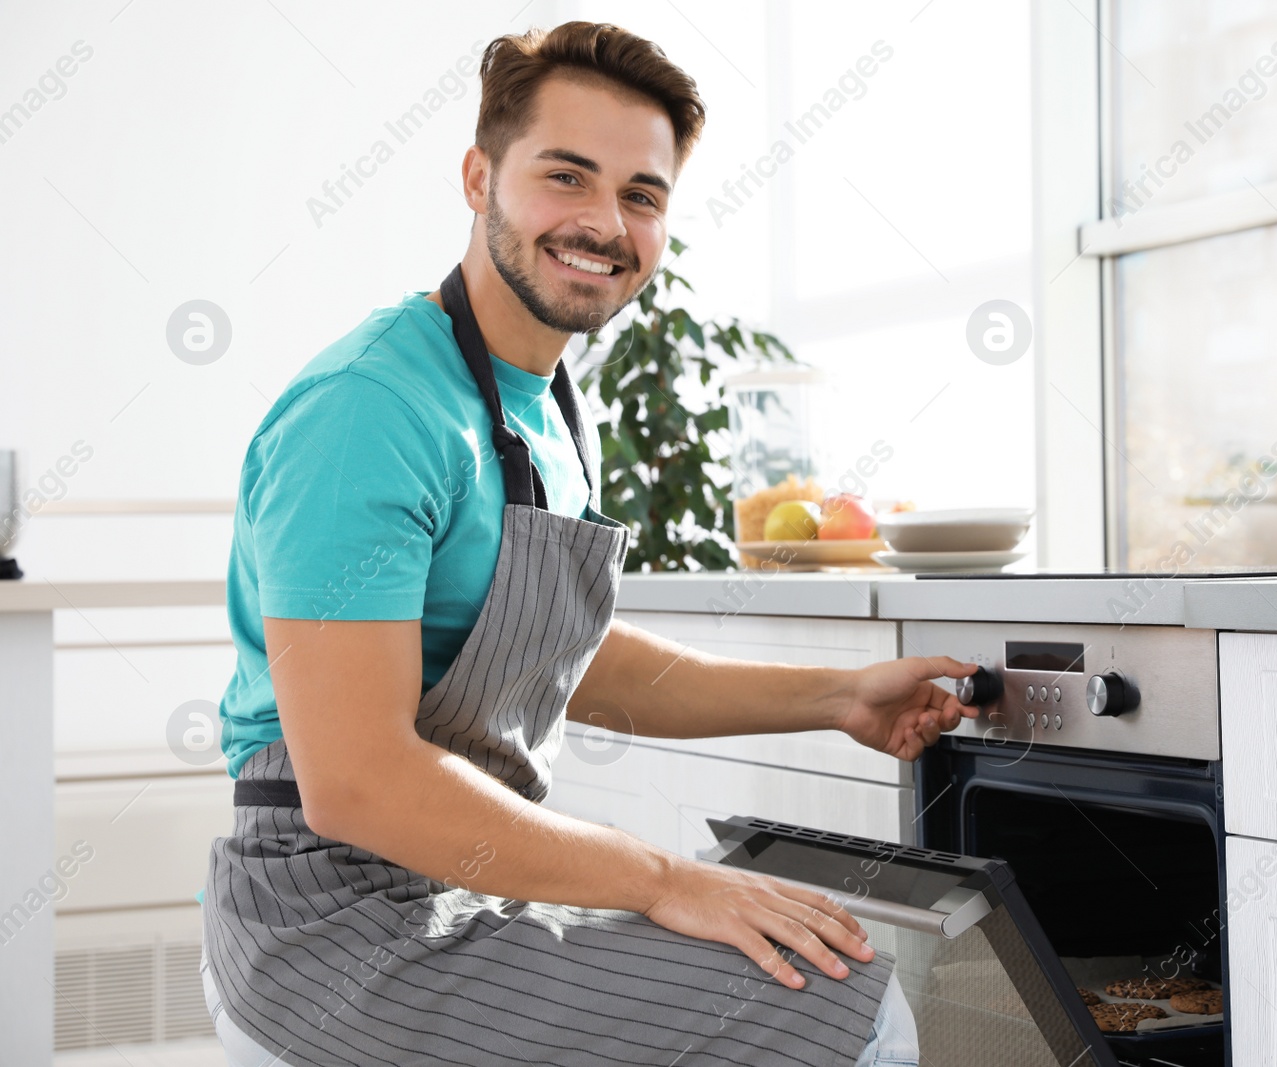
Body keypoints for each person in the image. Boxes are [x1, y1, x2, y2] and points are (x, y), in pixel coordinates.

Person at [199, 21, 978, 1067]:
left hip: (456, 891)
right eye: (565, 175)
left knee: (821, 978)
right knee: (850, 1012)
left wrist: (835, 699)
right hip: (329, 926)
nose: (604, 222)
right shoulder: (371, 409)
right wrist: (666, 879)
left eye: (642, 195)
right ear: (480, 177)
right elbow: (360, 780)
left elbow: (578, 661)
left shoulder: (551, 408)